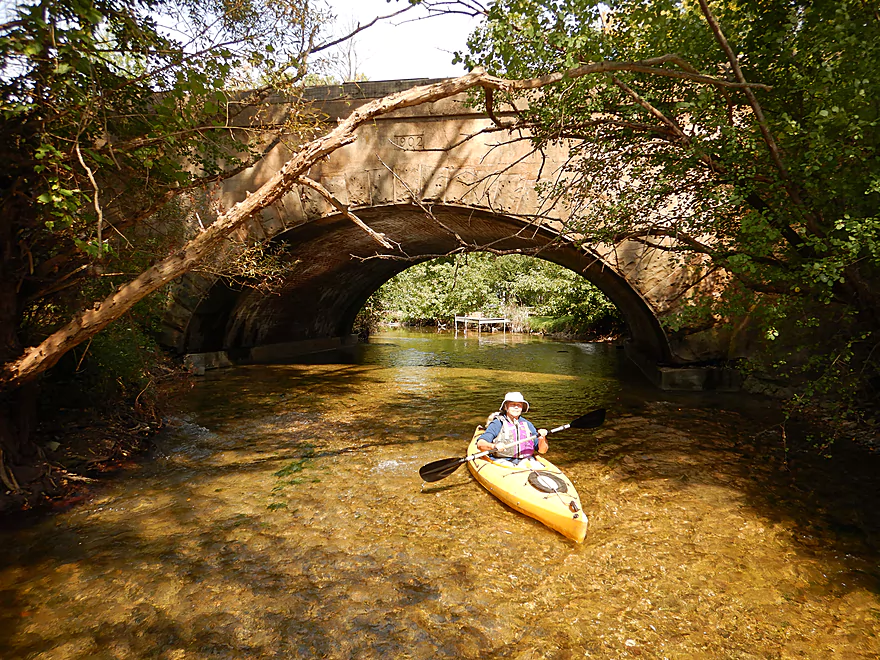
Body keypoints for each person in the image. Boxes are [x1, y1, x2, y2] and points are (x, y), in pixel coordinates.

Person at [476, 392, 548, 465]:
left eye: (519, 405)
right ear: (505, 407)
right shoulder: (497, 423)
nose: (516, 407)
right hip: (502, 460)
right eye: (512, 405)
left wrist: (542, 438)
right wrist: (493, 446)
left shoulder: (527, 424)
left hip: (526, 460)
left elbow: (542, 451)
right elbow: (480, 444)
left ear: (522, 408)